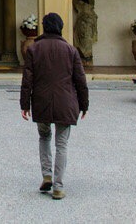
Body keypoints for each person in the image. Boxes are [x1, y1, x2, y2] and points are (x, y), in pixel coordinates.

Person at [20, 12, 89, 200]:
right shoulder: (71, 50)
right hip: (66, 102)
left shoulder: (34, 49)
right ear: (61, 27)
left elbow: (27, 80)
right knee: (61, 144)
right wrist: (84, 104)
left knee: (44, 137)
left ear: (44, 27)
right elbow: (80, 80)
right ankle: (58, 186)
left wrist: (24, 104)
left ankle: (47, 174)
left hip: (41, 100)